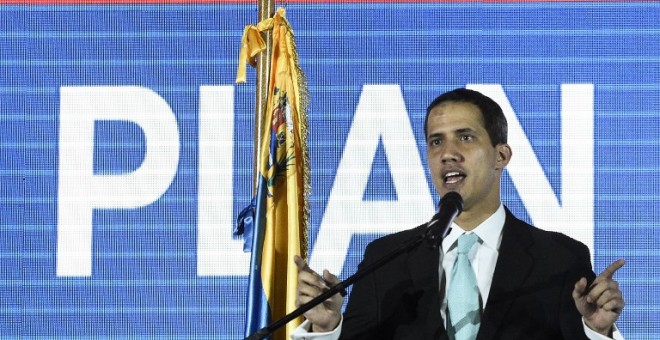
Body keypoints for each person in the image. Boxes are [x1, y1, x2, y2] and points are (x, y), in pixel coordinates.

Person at [292, 88, 625, 340]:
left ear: (501, 155)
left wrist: (597, 332)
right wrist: (328, 327)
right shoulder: (386, 261)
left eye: (465, 137)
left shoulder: (560, 259)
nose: (448, 153)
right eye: (436, 142)